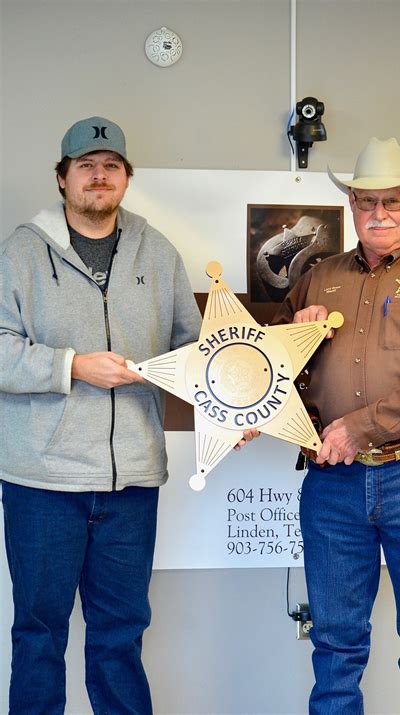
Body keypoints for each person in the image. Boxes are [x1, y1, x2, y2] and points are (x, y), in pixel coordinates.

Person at [0, 116, 205, 714]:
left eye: (110, 166)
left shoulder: (157, 250)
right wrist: (72, 366)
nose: (98, 175)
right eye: (85, 166)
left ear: (126, 179)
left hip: (132, 485)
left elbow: (194, 351)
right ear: (62, 179)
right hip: (44, 484)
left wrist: (230, 407)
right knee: (39, 636)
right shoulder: (21, 251)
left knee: (120, 639)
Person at [273, 137, 400, 713]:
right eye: (367, 202)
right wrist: (298, 334)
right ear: (352, 206)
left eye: (393, 201)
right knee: (335, 645)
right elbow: (271, 367)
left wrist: (361, 427)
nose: (379, 214)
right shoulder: (319, 275)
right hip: (332, 483)